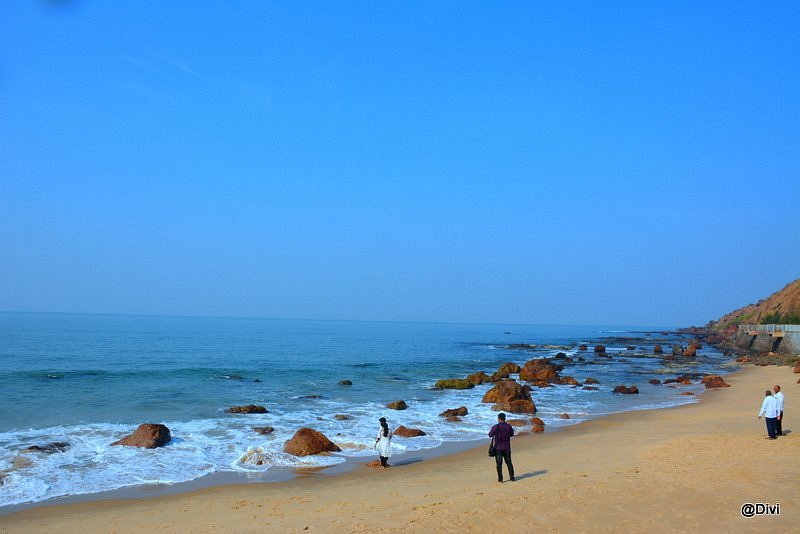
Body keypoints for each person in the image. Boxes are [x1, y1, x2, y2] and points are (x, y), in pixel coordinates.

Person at [488, 412, 515, 482]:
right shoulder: (509, 426)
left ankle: (500, 479)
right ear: (504, 419)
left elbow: (490, 435)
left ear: (499, 419)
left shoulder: (496, 427)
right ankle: (512, 477)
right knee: (509, 463)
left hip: (498, 448)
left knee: (499, 464)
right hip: (507, 447)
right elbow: (511, 434)